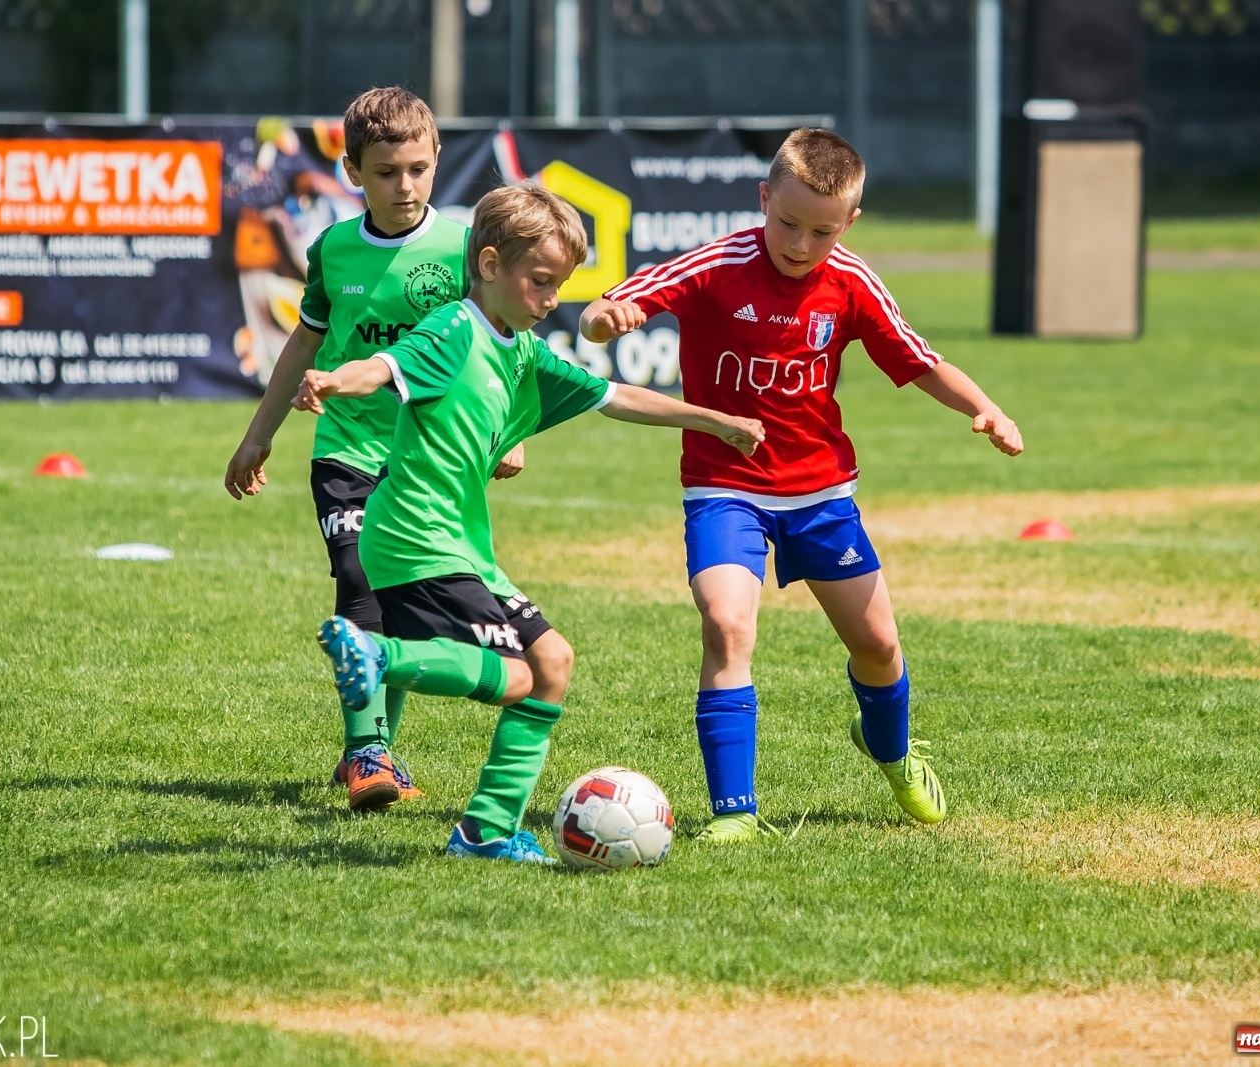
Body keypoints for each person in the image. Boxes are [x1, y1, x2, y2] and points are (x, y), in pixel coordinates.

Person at [579, 128, 1024, 841]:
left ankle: (893, 751)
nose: (799, 243)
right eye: (787, 223)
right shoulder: (719, 263)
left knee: (878, 643)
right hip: (724, 486)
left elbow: (918, 360)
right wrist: (607, 318)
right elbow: (610, 309)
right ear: (764, 198)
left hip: (821, 495)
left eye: (821, 230)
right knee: (726, 624)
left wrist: (986, 408)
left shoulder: (850, 281)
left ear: (849, 223)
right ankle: (735, 815)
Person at [300, 182, 765, 864]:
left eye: (560, 286)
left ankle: (485, 831)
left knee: (552, 662)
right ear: (489, 265)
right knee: (518, 674)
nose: (552, 301)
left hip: (458, 543)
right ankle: (376, 656)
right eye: (540, 282)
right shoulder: (456, 330)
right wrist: (338, 379)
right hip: (415, 536)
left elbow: (613, 395)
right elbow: (384, 366)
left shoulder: (519, 350)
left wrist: (714, 421)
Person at [223, 86, 529, 812]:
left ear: (436, 161)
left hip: (429, 458)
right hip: (346, 453)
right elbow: (306, 337)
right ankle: (368, 754)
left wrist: (508, 433)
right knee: (360, 580)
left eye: (418, 169)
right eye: (387, 172)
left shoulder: (461, 247)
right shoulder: (333, 249)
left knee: (401, 599)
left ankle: (371, 744)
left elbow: (502, 337)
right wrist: (258, 434)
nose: (405, 186)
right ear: (353, 171)